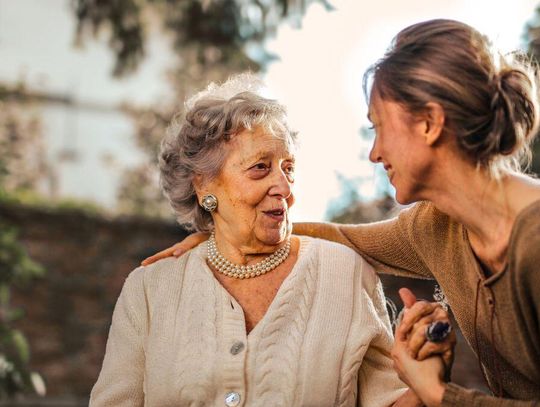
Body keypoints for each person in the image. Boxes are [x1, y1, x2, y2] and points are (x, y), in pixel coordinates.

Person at [143, 20, 540, 406]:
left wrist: (439, 395)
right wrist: (228, 231)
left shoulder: (534, 238)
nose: (375, 152)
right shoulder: (437, 227)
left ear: (430, 123)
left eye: (379, 128)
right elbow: (344, 238)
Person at [90, 75, 425, 406]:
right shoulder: (149, 290)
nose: (284, 187)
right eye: (261, 168)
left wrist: (426, 383)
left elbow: (388, 400)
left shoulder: (346, 275)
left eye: (288, 168)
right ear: (204, 185)